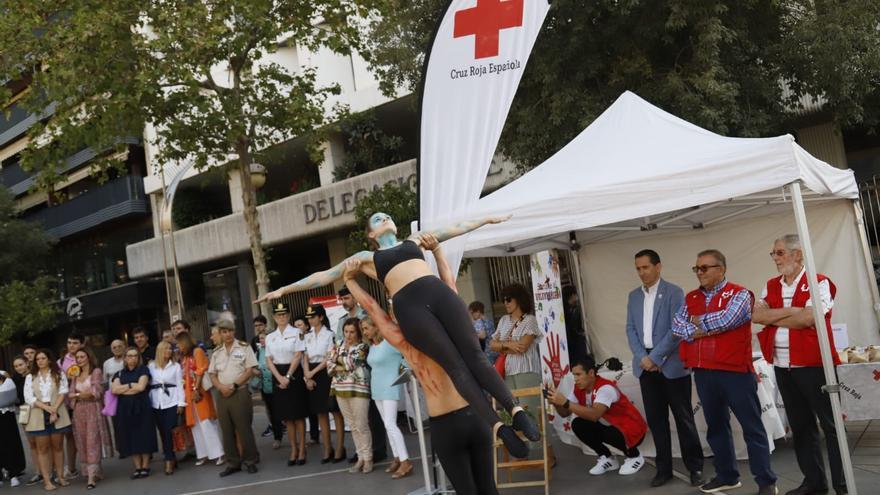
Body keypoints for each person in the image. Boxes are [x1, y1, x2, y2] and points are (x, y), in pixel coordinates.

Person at [255, 213, 539, 455]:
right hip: (410, 306)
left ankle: (516, 412)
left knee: (475, 356)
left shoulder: (414, 240)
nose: (385, 218)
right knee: (455, 365)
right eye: (378, 219)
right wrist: (284, 290)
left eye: (386, 216)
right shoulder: (366, 257)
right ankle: (499, 428)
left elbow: (455, 228)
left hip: (438, 293)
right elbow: (324, 276)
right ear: (371, 234)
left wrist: (487, 220)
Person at [343, 247, 498, 495]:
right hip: (475, 413)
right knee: (489, 490)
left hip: (446, 424)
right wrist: (437, 252)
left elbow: (372, 308)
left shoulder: (404, 341)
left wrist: (350, 280)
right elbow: (450, 286)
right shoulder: (451, 329)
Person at [672, 249, 777, 495]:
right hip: (704, 372)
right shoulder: (690, 297)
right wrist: (704, 325)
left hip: (735, 372)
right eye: (696, 268)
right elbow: (677, 327)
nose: (699, 272)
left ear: (721, 269)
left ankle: (766, 482)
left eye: (705, 268)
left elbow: (729, 320)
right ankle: (727, 476)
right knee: (716, 428)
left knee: (752, 428)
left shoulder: (740, 294)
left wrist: (698, 323)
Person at [753, 235, 845, 495]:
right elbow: (757, 315)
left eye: (780, 253)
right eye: (773, 253)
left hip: (814, 365)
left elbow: (808, 319)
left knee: (830, 426)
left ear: (798, 254)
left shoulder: (820, 282)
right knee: (801, 427)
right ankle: (814, 482)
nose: (775, 258)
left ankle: (842, 483)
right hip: (783, 366)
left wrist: (778, 315)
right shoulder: (770, 285)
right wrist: (793, 311)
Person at [624, 249, 704, 487]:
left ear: (658, 267)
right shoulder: (633, 296)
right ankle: (664, 468)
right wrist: (643, 357)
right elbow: (630, 329)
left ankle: (695, 467)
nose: (642, 273)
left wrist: (656, 357)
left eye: (645, 267)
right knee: (657, 421)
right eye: (638, 268)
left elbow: (677, 329)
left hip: (670, 365)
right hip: (645, 366)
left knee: (683, 418)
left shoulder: (674, 292)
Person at [546, 356, 648, 475]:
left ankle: (635, 456)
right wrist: (556, 403)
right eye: (574, 375)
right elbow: (565, 413)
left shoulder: (605, 388)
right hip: (613, 425)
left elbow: (595, 415)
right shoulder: (579, 388)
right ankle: (607, 458)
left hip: (632, 429)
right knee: (578, 424)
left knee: (607, 431)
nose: (575, 379)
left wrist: (565, 402)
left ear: (591, 373)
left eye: (578, 375)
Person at [489, 283, 544, 458]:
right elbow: (492, 345)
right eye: (503, 299)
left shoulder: (530, 320)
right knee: (511, 414)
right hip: (508, 372)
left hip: (526, 370)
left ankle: (544, 453)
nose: (505, 302)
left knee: (532, 411)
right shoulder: (504, 320)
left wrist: (502, 346)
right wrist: (509, 344)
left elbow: (524, 347)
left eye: (508, 298)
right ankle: (520, 450)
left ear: (518, 299)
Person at [363, 315, 413, 479]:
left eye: (366, 328)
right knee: (387, 424)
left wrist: (404, 371)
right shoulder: (372, 345)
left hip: (391, 387)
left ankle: (406, 461)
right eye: (363, 328)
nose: (364, 331)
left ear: (375, 327)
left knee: (391, 424)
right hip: (377, 388)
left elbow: (407, 352)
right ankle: (397, 457)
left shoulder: (389, 343)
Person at [208, 319, 260, 477]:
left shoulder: (244, 347)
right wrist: (220, 387)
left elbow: (250, 369)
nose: (228, 334)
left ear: (234, 331)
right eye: (224, 332)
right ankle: (233, 462)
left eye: (230, 331)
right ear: (221, 334)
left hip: (239, 392)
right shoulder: (217, 352)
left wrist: (234, 386)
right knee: (226, 429)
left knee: (244, 428)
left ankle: (250, 460)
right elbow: (212, 373)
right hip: (222, 394)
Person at [264, 305, 309, 464]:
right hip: (278, 374)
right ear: (274, 317)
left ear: (288, 315)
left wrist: (288, 376)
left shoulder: (298, 333)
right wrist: (279, 377)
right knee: (287, 417)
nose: (281, 317)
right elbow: (268, 359)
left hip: (293, 373)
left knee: (298, 415)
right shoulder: (270, 336)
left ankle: (302, 449)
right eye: (278, 315)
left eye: (284, 314)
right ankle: (293, 449)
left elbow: (298, 355)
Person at [303, 304, 346, 463]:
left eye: (313, 316)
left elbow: (329, 357)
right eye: (309, 317)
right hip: (311, 373)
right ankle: (327, 448)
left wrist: (312, 373)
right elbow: (305, 356)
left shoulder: (330, 334)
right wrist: (307, 376)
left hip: (326, 373)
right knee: (320, 412)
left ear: (321, 317)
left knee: (334, 411)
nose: (310, 320)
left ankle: (340, 447)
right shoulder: (307, 335)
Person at [23, 349, 72, 491]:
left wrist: (54, 408)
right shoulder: (30, 377)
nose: (40, 361)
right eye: (37, 359)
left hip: (57, 410)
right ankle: (47, 480)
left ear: (49, 359)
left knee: (57, 446)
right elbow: (29, 397)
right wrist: (47, 408)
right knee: (42, 448)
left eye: (43, 358)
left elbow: (63, 391)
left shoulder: (58, 373)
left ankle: (61, 477)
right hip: (39, 413)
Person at [329, 318, 372, 473]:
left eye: (352, 332)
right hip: (340, 389)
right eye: (346, 331)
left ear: (358, 332)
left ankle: (368, 459)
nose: (348, 335)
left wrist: (337, 361)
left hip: (359, 389)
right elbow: (329, 366)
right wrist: (339, 362)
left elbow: (351, 363)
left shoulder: (363, 346)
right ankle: (360, 458)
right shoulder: (338, 344)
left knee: (361, 425)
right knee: (353, 426)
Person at [177, 332, 224, 466]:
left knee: (206, 422)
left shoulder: (197, 351)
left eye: (179, 344)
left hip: (199, 392)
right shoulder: (184, 357)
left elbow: (201, 370)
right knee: (195, 425)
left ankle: (218, 453)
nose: (178, 347)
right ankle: (203, 453)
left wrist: (196, 389)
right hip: (188, 394)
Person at [68, 348, 112, 489]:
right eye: (78, 357)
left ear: (88, 357)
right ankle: (93, 471)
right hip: (79, 411)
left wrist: (78, 394)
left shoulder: (96, 372)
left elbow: (95, 393)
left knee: (92, 441)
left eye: (82, 356)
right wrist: (80, 395)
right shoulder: (75, 374)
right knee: (81, 441)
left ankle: (92, 477)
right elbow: (70, 394)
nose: (79, 359)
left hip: (93, 409)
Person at [111, 347, 156, 479]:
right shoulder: (119, 373)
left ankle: (146, 466)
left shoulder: (143, 370)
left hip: (142, 406)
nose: (133, 358)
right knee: (131, 437)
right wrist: (131, 385)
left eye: (135, 356)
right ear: (125, 358)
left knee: (144, 434)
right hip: (125, 408)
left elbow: (141, 387)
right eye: (129, 356)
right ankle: (137, 467)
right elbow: (114, 390)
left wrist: (124, 389)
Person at [148, 341, 185, 475]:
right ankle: (171, 456)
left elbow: (180, 385)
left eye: (170, 349)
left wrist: (181, 403)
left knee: (169, 430)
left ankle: (168, 460)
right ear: (160, 351)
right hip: (156, 403)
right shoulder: (151, 366)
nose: (169, 351)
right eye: (166, 349)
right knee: (163, 432)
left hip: (171, 402)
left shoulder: (175, 366)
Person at [58, 332, 84, 480]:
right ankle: (72, 468)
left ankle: (89, 465)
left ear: (81, 344)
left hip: (83, 402)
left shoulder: (86, 358)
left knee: (86, 435)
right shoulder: (61, 361)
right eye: (69, 342)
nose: (71, 345)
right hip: (67, 404)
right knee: (70, 437)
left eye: (75, 342)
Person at [293, 315, 320, 446]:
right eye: (295, 326)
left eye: (300, 325)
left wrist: (308, 376)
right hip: (298, 376)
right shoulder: (294, 339)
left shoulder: (311, 338)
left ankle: (315, 436)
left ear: (307, 326)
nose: (297, 328)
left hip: (311, 374)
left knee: (313, 408)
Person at [253, 323, 281, 447]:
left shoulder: (275, 350)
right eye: (259, 338)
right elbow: (253, 367)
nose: (261, 340)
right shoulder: (259, 352)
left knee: (281, 411)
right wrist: (256, 372)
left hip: (277, 385)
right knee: (272, 413)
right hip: (265, 387)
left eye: (263, 338)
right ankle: (277, 437)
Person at [0, 368, 26, 488]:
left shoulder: (3, 374)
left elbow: (11, 394)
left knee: (9, 442)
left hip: (6, 414)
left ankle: (13, 473)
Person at [562, 286, 589, 364]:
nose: (577, 297)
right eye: (575, 295)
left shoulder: (570, 309)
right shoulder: (569, 311)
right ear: (571, 295)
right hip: (573, 343)